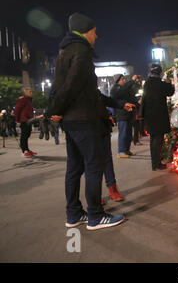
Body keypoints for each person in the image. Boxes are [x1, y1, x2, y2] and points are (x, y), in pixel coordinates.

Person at [47, 12, 134, 230]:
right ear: (86, 32)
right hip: (85, 120)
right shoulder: (82, 51)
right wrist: (54, 110)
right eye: (95, 32)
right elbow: (72, 86)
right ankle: (95, 215)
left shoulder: (64, 51)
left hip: (73, 121)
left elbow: (80, 90)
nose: (97, 36)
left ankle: (74, 214)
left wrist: (118, 104)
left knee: (74, 168)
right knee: (94, 166)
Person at [141, 64, 174, 171]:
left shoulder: (147, 83)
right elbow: (171, 92)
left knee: (153, 139)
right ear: (160, 73)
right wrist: (169, 83)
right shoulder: (161, 84)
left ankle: (154, 162)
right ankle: (157, 163)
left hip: (149, 116)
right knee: (158, 140)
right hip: (159, 116)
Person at [110, 74, 139, 158]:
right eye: (122, 79)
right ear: (117, 80)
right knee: (123, 133)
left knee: (129, 133)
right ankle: (121, 151)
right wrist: (131, 81)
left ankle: (126, 150)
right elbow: (120, 93)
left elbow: (132, 95)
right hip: (121, 114)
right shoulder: (115, 89)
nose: (124, 81)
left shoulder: (124, 89)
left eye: (124, 79)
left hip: (129, 114)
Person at [14, 88, 41, 157]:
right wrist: (16, 119)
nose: (31, 93)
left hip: (29, 120)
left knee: (27, 135)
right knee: (24, 135)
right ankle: (24, 151)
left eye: (32, 92)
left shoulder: (29, 100)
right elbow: (17, 109)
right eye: (30, 92)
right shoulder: (22, 99)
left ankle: (27, 149)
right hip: (24, 120)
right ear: (25, 93)